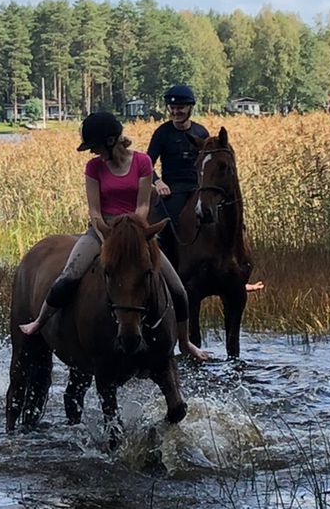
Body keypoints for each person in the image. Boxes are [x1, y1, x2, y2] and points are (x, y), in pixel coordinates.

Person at [16, 111, 210, 362]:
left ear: (110, 141)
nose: (92, 152)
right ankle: (40, 321)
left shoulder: (142, 162)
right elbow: (94, 210)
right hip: (102, 231)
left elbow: (143, 206)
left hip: (136, 234)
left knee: (178, 288)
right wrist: (107, 235)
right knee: (69, 275)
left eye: (95, 146)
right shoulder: (94, 167)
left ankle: (184, 342)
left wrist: (133, 234)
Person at [147, 84, 210, 243]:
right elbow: (147, 164)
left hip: (198, 187)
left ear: (190, 108)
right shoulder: (162, 133)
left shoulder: (201, 132)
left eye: (180, 108)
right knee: (167, 228)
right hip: (172, 189)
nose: (175, 112)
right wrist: (158, 182)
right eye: (172, 108)